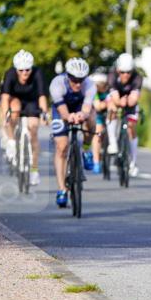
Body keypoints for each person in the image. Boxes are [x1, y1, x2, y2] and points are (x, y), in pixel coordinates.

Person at [49, 58, 94, 208]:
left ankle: (86, 150)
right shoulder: (57, 83)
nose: (78, 83)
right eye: (74, 80)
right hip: (61, 109)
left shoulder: (89, 85)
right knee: (62, 146)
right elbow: (62, 111)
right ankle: (62, 189)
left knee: (92, 122)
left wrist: (82, 115)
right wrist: (69, 117)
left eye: (81, 79)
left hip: (80, 107)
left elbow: (87, 109)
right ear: (68, 76)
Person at [0, 49, 48, 185]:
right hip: (15, 99)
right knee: (13, 111)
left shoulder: (38, 73)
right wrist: (6, 116)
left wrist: (44, 113)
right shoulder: (10, 74)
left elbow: (42, 96)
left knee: (33, 128)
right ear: (16, 69)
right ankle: (11, 141)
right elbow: (5, 98)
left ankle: (34, 170)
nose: (24, 73)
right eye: (21, 70)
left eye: (27, 69)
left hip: (32, 101)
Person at [107, 52, 143, 177]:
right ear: (118, 70)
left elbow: (133, 99)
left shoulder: (137, 77)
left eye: (128, 72)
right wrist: (119, 102)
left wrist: (127, 101)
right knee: (111, 107)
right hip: (116, 99)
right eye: (122, 72)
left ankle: (132, 162)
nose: (126, 75)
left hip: (130, 101)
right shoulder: (111, 76)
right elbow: (115, 97)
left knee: (132, 127)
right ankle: (112, 142)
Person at [88, 71, 111, 174]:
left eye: (103, 84)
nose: (101, 87)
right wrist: (107, 103)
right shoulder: (93, 93)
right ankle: (96, 161)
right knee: (97, 134)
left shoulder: (108, 90)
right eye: (99, 85)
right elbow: (98, 106)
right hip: (96, 115)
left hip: (108, 114)